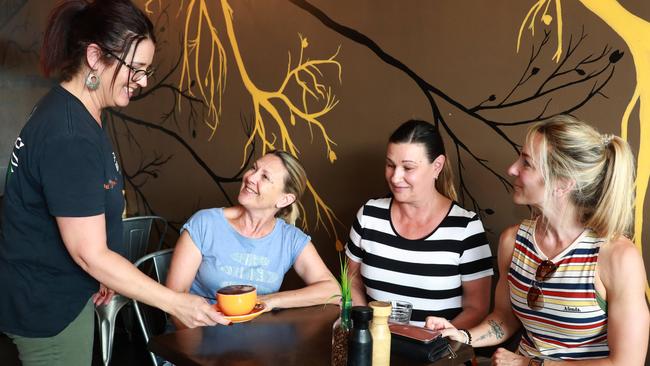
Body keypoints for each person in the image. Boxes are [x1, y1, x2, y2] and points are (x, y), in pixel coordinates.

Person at [0, 1, 226, 364]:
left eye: (147, 70)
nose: (144, 81)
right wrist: (177, 303)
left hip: (66, 291)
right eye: (136, 69)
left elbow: (82, 224)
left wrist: (105, 272)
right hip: (47, 308)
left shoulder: (78, 112)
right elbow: (88, 252)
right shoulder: (70, 134)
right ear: (95, 56)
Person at [426, 115, 650, 365]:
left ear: (562, 184)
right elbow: (504, 317)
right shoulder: (513, 241)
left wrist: (529, 364)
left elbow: (627, 362)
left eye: (527, 163)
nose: (512, 169)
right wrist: (464, 336)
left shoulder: (617, 257)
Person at [165, 150, 340, 329]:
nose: (250, 177)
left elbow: (333, 290)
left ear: (284, 199)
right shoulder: (205, 223)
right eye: (253, 168)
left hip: (253, 342)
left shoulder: (291, 239)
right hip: (196, 337)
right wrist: (198, 350)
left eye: (264, 177)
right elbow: (175, 300)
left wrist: (270, 301)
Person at [345, 119, 494, 327]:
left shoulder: (465, 227)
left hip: (437, 353)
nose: (396, 177)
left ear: (437, 166)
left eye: (408, 168)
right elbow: (352, 278)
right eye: (390, 165)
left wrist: (432, 342)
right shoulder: (369, 215)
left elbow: (477, 309)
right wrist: (365, 324)